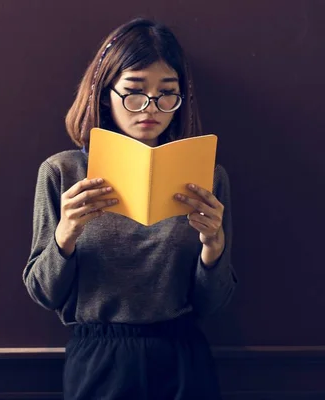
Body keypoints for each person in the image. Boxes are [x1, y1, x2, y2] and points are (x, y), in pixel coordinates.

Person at [22, 18, 238, 400]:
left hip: (182, 354)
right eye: (134, 92)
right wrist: (65, 235)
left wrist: (213, 249)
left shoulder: (206, 174)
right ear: (105, 94)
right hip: (100, 357)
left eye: (167, 94)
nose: (149, 108)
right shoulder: (62, 172)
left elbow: (213, 304)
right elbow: (44, 293)